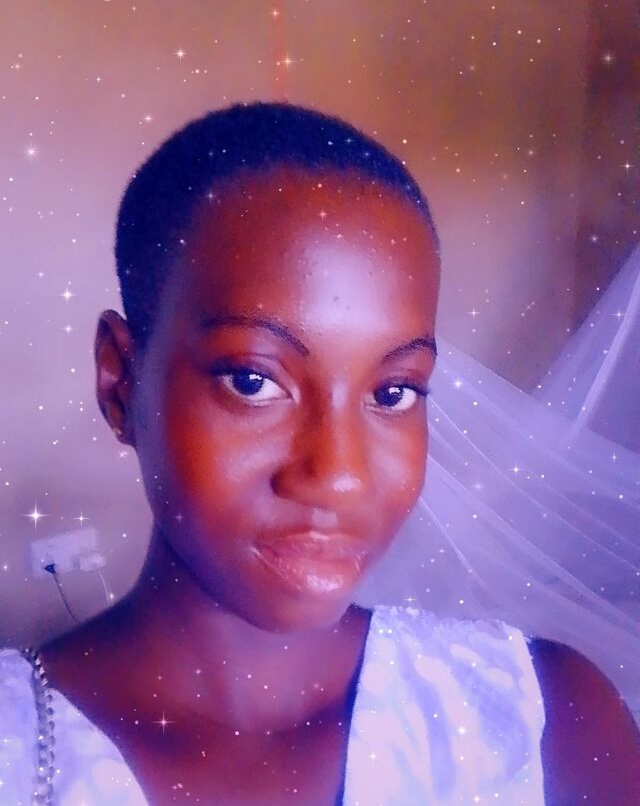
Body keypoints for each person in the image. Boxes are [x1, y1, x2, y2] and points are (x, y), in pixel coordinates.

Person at [1, 102, 638, 805]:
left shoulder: (543, 721)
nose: (339, 476)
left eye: (393, 392)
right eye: (253, 382)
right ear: (122, 383)